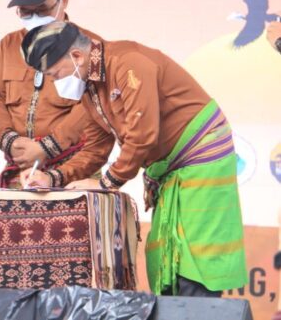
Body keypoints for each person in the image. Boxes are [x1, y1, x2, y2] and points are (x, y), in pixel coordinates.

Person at [21, 20, 248, 297]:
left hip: (202, 156)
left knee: (193, 264)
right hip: (170, 168)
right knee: (168, 260)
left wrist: (106, 183)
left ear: (77, 56)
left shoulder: (129, 64)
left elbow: (143, 136)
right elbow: (95, 150)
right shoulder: (91, 88)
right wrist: (51, 177)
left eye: (56, 74)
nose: (56, 83)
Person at [0, 0, 113, 188]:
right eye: (26, 11)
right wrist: (9, 142)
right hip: (22, 168)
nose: (34, 17)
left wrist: (47, 148)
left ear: (63, 0)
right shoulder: (8, 44)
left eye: (42, 9)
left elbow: (93, 105)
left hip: (75, 167)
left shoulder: (92, 46)